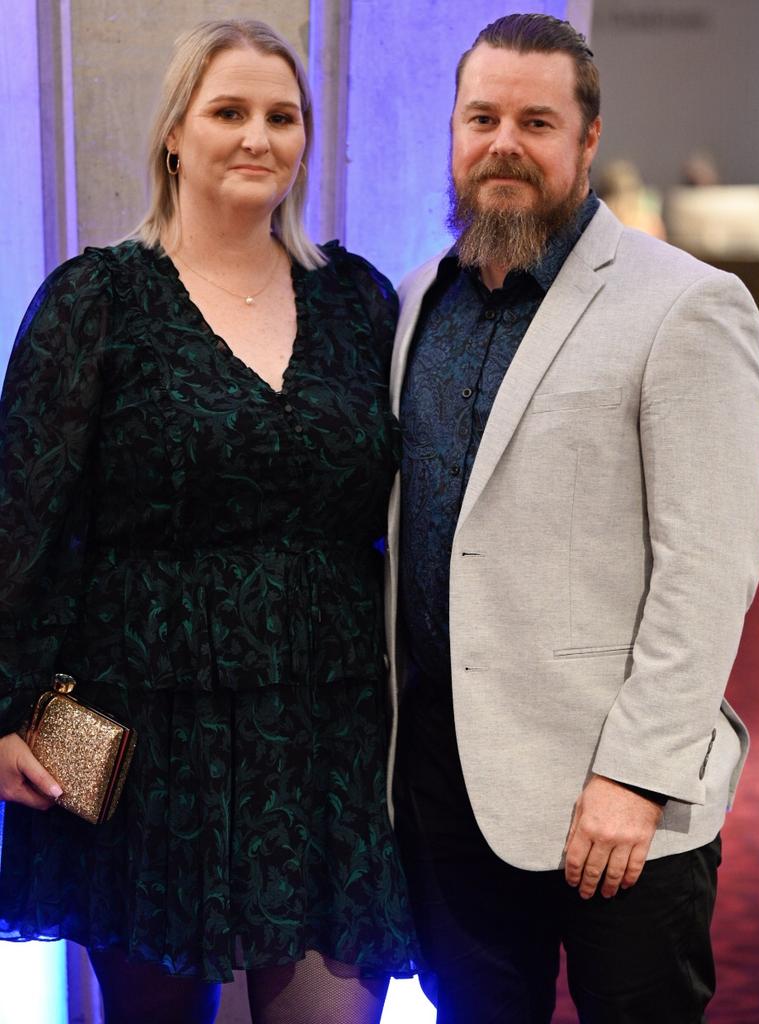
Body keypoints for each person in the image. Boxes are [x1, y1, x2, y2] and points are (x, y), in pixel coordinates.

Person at [0, 19, 418, 1024]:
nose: (257, 136)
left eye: (283, 116)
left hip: (330, 730)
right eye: (229, 111)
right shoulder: (96, 300)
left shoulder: (358, 299)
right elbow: (20, 516)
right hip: (145, 731)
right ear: (174, 136)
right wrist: (7, 706)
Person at [388, 13, 759, 1024]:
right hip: (449, 793)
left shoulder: (688, 305)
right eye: (482, 118)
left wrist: (635, 777)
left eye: (535, 120)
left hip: (616, 802)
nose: (503, 143)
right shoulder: (421, 297)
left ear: (586, 140)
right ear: (455, 133)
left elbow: (710, 565)